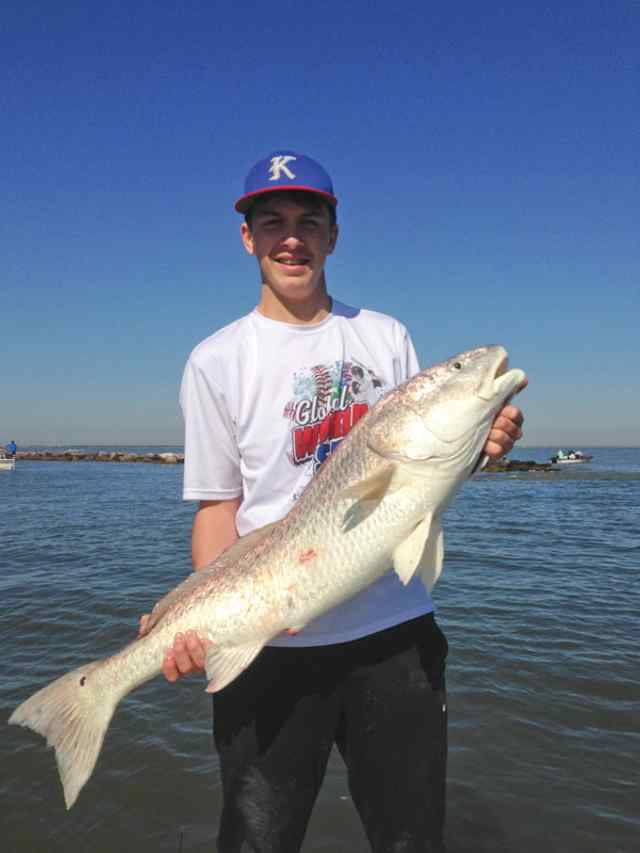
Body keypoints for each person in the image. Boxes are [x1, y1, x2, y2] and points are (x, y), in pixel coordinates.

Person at [139, 150, 525, 852]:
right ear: (247, 237)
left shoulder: (385, 336)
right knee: (257, 839)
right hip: (269, 652)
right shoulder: (215, 359)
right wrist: (201, 611)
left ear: (333, 235)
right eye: (273, 220)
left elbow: (420, 483)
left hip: (395, 639)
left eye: (309, 221)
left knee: (412, 839)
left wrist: (477, 445)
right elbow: (218, 506)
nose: (293, 236)